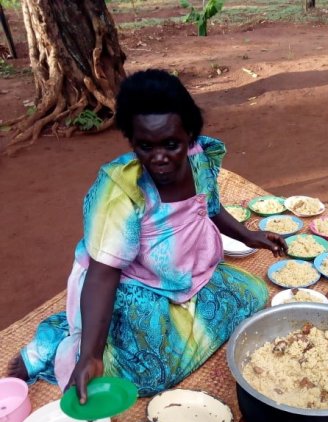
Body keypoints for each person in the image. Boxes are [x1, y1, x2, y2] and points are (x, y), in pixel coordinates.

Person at [8, 69, 287, 403]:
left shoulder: (199, 161)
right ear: (132, 140)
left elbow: (209, 208)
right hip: (137, 288)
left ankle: (121, 330)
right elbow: (103, 275)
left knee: (252, 296)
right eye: (145, 146)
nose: (159, 159)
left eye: (171, 144)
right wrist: (91, 357)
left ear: (190, 135)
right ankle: (56, 343)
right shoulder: (121, 191)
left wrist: (250, 236)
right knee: (150, 375)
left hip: (187, 277)